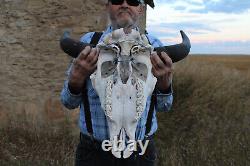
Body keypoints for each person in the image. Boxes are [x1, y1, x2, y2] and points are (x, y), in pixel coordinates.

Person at [61, 0, 173, 165]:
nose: (125, 5)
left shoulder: (154, 45)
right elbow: (68, 102)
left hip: (141, 152)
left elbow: (165, 106)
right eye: (117, 0)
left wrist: (164, 85)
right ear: (108, 6)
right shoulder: (88, 42)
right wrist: (76, 79)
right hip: (93, 153)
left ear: (141, 9)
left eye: (133, 1)